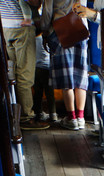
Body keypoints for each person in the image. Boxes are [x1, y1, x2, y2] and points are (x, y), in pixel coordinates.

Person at [0, 0, 50, 129]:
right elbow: (33, 2)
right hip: (21, 26)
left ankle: (15, 114)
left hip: (5, 26)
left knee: (14, 73)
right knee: (25, 74)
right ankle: (26, 117)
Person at [39, 0, 89, 130]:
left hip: (61, 31)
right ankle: (81, 117)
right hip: (80, 29)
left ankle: (71, 118)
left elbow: (47, 12)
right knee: (80, 74)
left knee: (67, 76)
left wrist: (44, 31)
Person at [33, 33, 58, 121]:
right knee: (50, 93)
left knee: (37, 92)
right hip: (47, 68)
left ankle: (38, 112)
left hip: (35, 68)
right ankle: (53, 114)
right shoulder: (47, 38)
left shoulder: (33, 38)